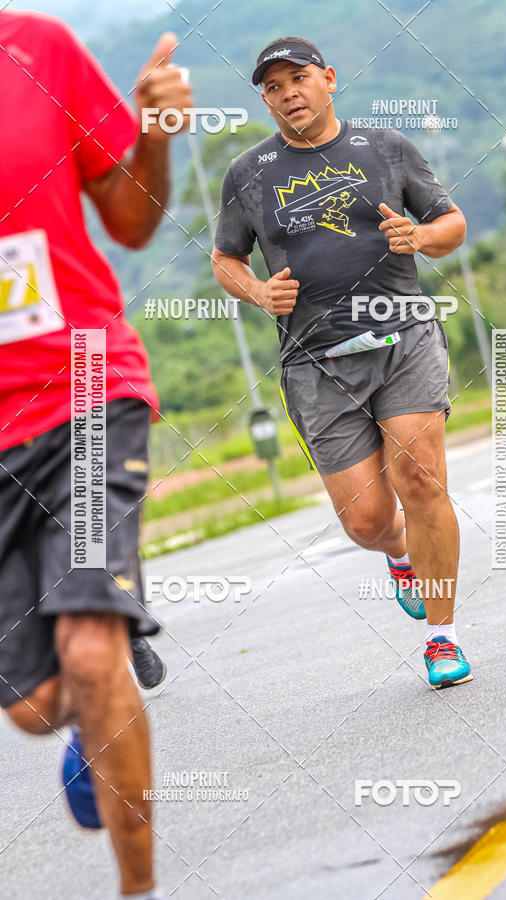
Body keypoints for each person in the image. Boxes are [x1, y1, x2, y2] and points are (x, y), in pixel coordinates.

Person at [0, 11, 193, 897]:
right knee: (39, 706)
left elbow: (130, 217)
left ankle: (139, 890)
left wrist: (152, 135)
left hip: (85, 384)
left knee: (85, 652)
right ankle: (97, 694)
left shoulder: (35, 48)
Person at [211, 36, 473, 689]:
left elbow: (452, 224)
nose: (287, 93)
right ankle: (400, 554)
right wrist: (258, 291)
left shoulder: (387, 148)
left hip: (402, 335)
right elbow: (226, 259)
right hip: (314, 360)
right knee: (367, 520)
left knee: (422, 477)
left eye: (298, 78)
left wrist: (421, 236)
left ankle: (441, 637)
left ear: (328, 79)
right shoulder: (247, 173)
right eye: (272, 87)